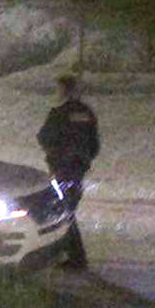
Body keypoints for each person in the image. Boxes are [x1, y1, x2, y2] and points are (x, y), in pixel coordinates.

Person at [37, 74, 99, 270]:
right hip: (77, 169)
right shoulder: (86, 113)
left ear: (65, 90)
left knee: (64, 211)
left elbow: (44, 137)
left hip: (62, 169)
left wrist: (55, 156)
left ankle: (76, 258)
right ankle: (71, 255)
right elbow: (94, 144)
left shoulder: (59, 113)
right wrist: (83, 159)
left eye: (59, 88)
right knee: (66, 209)